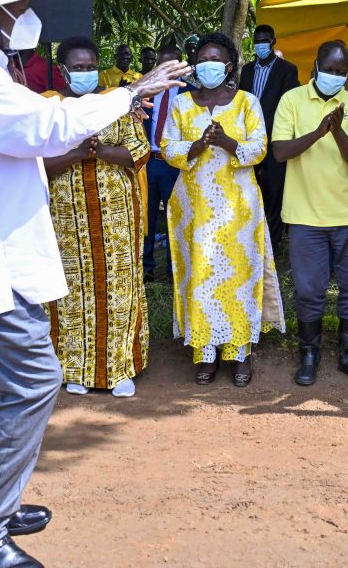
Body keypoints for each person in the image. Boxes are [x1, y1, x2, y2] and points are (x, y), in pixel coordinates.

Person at [0, 0, 189, 568]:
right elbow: (46, 129)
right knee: (34, 378)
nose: (30, 16)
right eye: (22, 5)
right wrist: (132, 93)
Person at [161, 32, 284, 388]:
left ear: (229, 66)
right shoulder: (182, 104)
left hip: (238, 207)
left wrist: (228, 143)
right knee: (201, 276)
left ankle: (240, 352)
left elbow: (259, 147)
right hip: (194, 207)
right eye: (202, 60)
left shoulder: (247, 102)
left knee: (238, 277)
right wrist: (198, 145)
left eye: (216, 60)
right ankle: (206, 352)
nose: (208, 65)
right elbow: (168, 147)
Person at [41, 36, 151, 399]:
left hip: (117, 216)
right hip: (66, 218)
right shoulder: (48, 109)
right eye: (78, 67)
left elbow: (140, 150)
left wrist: (102, 150)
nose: (86, 73)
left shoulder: (115, 104)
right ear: (62, 70)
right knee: (70, 291)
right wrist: (75, 155)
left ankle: (119, 369)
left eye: (91, 67)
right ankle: (75, 369)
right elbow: (36, 164)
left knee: (119, 286)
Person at [273, 41, 348, 386]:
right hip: (304, 214)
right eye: (327, 69)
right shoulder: (292, 100)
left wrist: (338, 128)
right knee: (308, 289)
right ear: (314, 66)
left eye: (339, 71)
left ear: (347, 73)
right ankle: (310, 354)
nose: (332, 76)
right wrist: (319, 131)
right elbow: (280, 153)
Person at [239, 24, 300, 255]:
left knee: (275, 191)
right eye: (256, 41)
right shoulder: (246, 70)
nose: (260, 45)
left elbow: (288, 105)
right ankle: (250, 235)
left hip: (276, 140)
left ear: (273, 41)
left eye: (264, 40)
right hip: (249, 140)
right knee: (251, 189)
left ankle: (273, 242)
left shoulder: (287, 70)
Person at [142, 43, 185, 281]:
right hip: (149, 161)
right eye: (162, 64)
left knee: (174, 216)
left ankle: (173, 270)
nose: (166, 69)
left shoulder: (190, 92)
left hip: (174, 164)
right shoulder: (147, 90)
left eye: (172, 64)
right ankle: (146, 268)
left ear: (180, 64)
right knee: (147, 216)